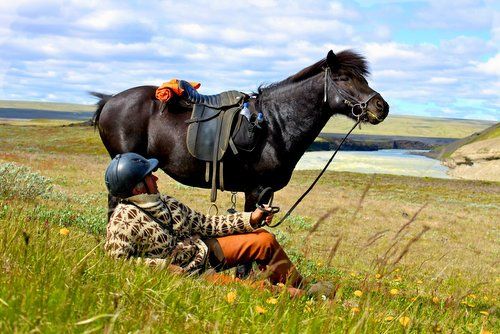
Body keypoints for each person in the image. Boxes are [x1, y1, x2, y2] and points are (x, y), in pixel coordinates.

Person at [103, 152, 304, 289]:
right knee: (254, 290)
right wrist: (163, 267)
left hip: (203, 252)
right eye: (150, 176)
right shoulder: (122, 222)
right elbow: (117, 264)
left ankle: (300, 286)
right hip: (188, 275)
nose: (156, 179)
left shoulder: (166, 202)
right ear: (138, 188)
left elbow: (206, 223)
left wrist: (251, 218)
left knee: (264, 240)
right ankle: (305, 299)